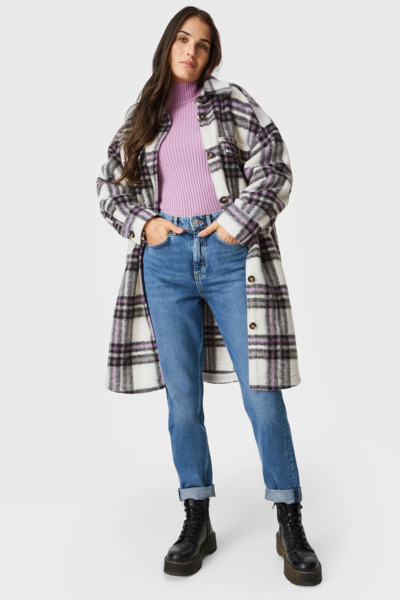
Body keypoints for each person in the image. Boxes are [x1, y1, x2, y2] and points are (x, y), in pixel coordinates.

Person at [96, 5, 322, 586]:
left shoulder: (230, 101)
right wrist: (145, 224)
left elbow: (275, 165)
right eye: (183, 39)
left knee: (261, 391)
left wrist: (234, 223)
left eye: (202, 44)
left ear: (211, 55)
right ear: (167, 44)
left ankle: (289, 519)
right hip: (165, 261)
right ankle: (196, 515)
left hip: (229, 257)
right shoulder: (143, 115)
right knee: (182, 402)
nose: (191, 51)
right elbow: (107, 186)